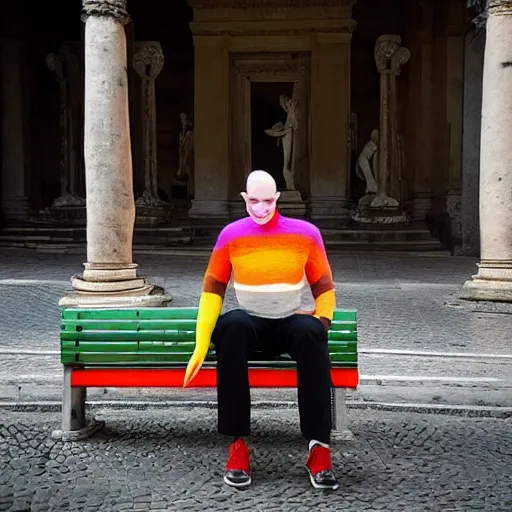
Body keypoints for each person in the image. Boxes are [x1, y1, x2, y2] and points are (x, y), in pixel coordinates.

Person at [183, 170, 338, 490]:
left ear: (277, 199)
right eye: (254, 201)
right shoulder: (230, 234)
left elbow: (324, 287)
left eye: (268, 201)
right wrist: (201, 345)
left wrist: (321, 322)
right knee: (231, 327)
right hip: (251, 323)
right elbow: (213, 289)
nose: (261, 208)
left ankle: (319, 449)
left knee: (310, 334)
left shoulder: (306, 233)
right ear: (244, 199)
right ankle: (237, 446)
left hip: (289, 323)